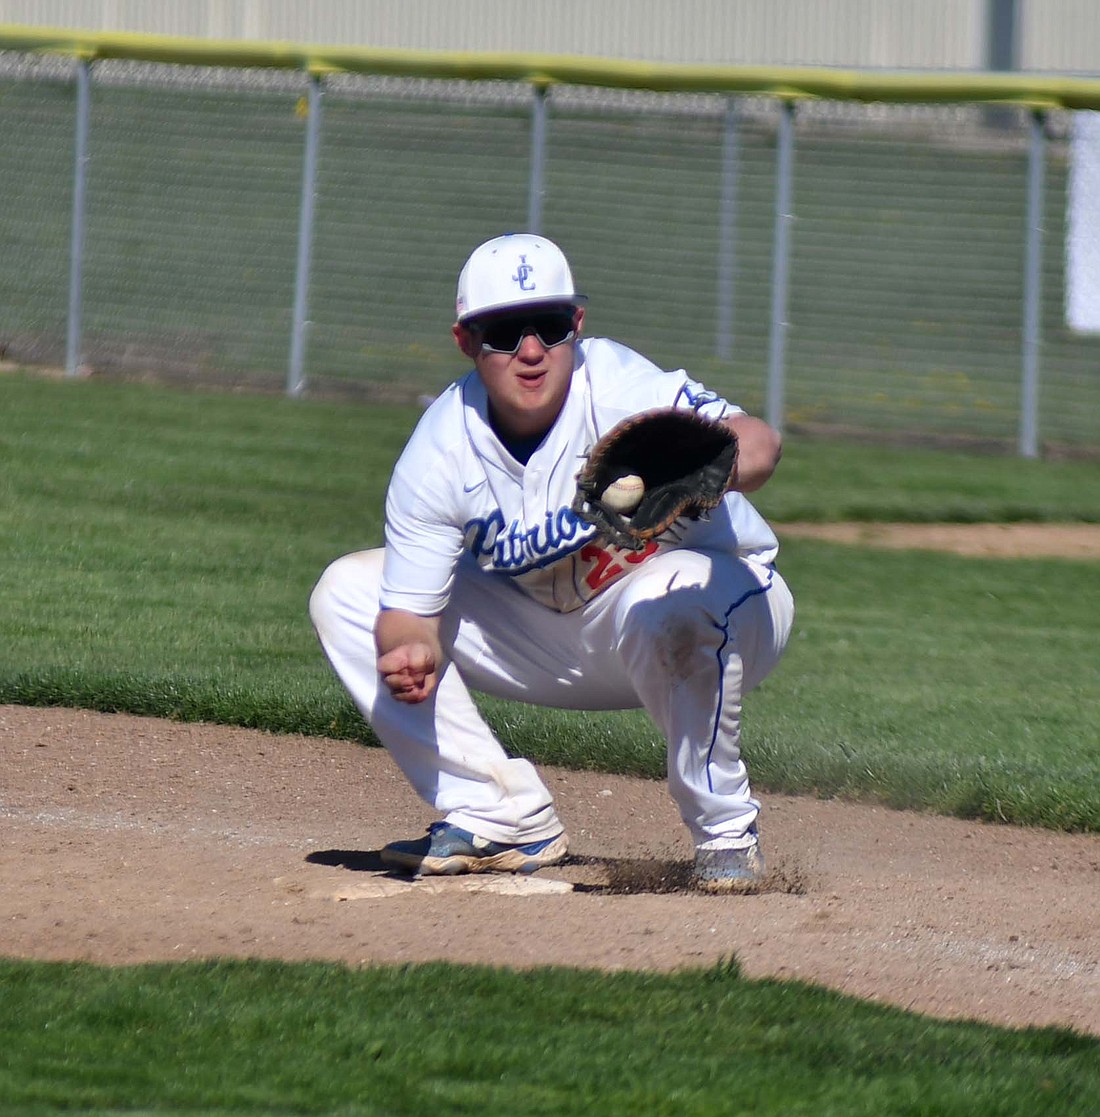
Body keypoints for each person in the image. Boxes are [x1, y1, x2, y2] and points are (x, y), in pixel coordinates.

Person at [309, 232, 794, 893]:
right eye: (505, 331)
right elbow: (406, 615)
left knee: (673, 600)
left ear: (579, 324)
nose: (531, 349)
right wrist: (407, 651)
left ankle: (725, 832)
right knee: (347, 589)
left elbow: (762, 445)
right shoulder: (442, 449)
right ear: (466, 341)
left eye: (551, 325)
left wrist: (710, 465)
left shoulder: (621, 386)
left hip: (725, 606)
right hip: (553, 635)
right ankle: (497, 813)